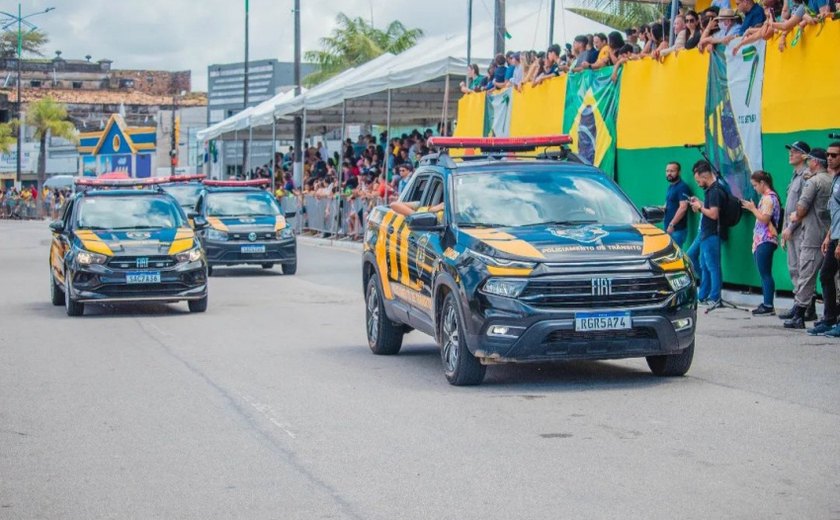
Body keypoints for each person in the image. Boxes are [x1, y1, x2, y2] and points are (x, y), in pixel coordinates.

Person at [784, 148, 832, 329]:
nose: (808, 163)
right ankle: (830, 315)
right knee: (831, 278)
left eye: (809, 160)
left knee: (805, 275)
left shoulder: (813, 182)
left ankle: (799, 314)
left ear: (815, 162)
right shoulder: (832, 180)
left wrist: (796, 215)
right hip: (830, 233)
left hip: (812, 234)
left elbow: (801, 209)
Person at [778, 141, 812, 321]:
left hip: (800, 231)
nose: (791, 154)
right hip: (790, 231)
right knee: (794, 268)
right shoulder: (795, 176)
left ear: (805, 156)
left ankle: (805, 307)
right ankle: (799, 304)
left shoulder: (806, 176)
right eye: (790, 151)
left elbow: (802, 207)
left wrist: (791, 228)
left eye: (795, 151)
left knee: (801, 269)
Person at [741, 171, 782, 315]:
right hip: (761, 240)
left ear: (762, 183)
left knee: (765, 273)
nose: (754, 188)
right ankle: (767, 302)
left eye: (755, 185)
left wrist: (752, 209)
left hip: (766, 239)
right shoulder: (766, 198)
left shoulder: (769, 198)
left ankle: (768, 305)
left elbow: (764, 219)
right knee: (763, 273)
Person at [812, 142, 840, 336]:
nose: (829, 158)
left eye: (834, 155)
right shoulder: (835, 179)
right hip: (835, 236)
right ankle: (829, 319)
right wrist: (829, 236)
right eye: (828, 155)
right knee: (825, 275)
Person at [688, 160, 724, 310]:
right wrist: (701, 203)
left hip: (711, 232)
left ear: (705, 176)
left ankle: (715, 297)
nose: (697, 183)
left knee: (713, 266)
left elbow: (714, 214)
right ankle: (703, 294)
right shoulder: (711, 190)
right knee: (704, 265)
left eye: (698, 180)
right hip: (706, 233)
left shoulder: (715, 190)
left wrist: (700, 208)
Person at [664, 162, 692, 248]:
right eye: (667, 171)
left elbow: (683, 207)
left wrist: (672, 224)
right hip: (669, 228)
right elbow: (668, 204)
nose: (669, 173)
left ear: (679, 172)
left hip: (677, 230)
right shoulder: (671, 187)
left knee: (676, 257)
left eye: (672, 171)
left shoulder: (682, 187)